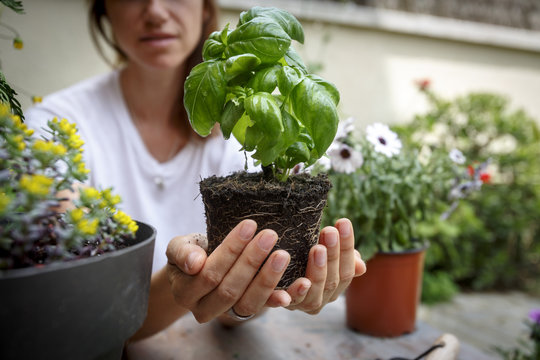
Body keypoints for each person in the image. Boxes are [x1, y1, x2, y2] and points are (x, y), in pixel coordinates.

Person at [24, 0, 366, 342]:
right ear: (104, 9)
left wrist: (256, 291)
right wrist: (181, 283)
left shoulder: (246, 132)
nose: (155, 11)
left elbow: (234, 314)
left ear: (205, 7)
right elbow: (70, 311)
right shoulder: (53, 131)